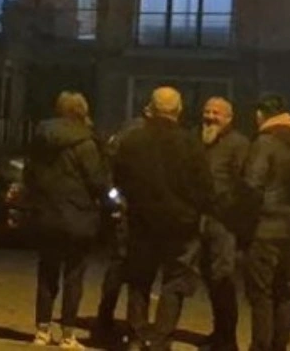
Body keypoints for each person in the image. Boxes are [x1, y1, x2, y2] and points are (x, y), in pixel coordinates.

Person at [113, 86, 213, 351]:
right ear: (179, 110)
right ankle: (161, 337)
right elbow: (204, 185)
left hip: (142, 221)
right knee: (175, 281)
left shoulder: (133, 141)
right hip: (181, 224)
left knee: (139, 279)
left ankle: (137, 335)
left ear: (151, 108)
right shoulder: (190, 143)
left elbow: (119, 178)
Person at [23, 91, 109, 348]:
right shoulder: (86, 143)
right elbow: (97, 181)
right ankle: (68, 334)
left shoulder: (42, 138)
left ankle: (42, 330)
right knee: (74, 275)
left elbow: (30, 174)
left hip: (47, 214)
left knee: (47, 272)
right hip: (78, 216)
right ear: (83, 111)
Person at [240, 94, 290, 351]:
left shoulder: (265, 142)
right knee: (281, 291)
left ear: (260, 115)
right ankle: (280, 344)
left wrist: (243, 222)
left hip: (265, 228)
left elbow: (251, 186)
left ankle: (261, 346)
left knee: (261, 294)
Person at [93, 103, 153, 343]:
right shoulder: (136, 134)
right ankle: (131, 323)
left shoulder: (127, 133)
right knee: (131, 265)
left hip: (128, 206)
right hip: (134, 208)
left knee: (120, 264)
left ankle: (108, 316)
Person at [200, 97, 251, 351]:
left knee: (223, 280)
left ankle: (227, 339)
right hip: (202, 221)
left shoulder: (238, 144)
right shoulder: (201, 141)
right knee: (209, 279)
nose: (210, 117)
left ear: (229, 118)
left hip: (223, 223)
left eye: (216, 113)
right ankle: (218, 332)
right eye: (207, 111)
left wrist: (227, 211)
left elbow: (243, 185)